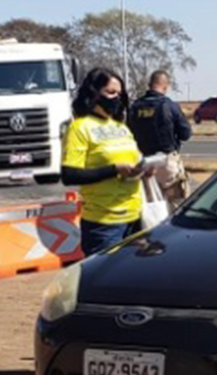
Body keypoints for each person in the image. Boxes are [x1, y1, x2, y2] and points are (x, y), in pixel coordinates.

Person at [62, 67, 144, 256]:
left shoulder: (121, 127)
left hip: (135, 219)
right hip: (104, 223)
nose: (116, 98)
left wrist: (144, 169)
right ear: (94, 92)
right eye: (110, 92)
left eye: (119, 94)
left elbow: (134, 159)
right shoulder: (80, 128)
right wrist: (114, 170)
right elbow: (70, 175)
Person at [127, 70, 193, 213]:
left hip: (144, 163)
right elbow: (186, 134)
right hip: (167, 162)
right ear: (165, 86)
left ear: (150, 84)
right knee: (176, 205)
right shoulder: (169, 106)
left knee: (151, 208)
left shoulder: (135, 107)